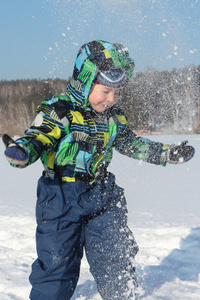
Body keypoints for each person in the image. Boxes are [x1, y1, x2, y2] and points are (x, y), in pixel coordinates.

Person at [3, 40, 195, 300]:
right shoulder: (60, 111)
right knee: (57, 264)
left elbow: (131, 143)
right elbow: (40, 136)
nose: (111, 99)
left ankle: (121, 294)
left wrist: (166, 153)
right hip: (60, 197)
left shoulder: (113, 117)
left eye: (118, 93)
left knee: (114, 255)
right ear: (85, 81)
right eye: (105, 91)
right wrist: (23, 151)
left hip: (102, 194)